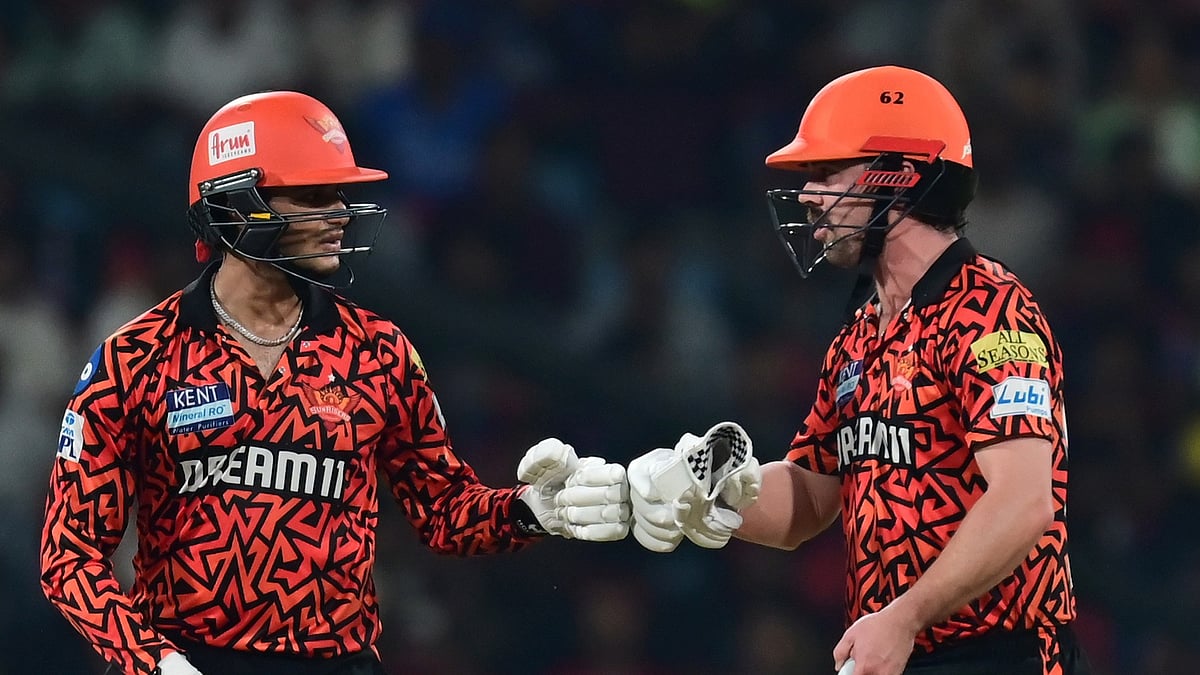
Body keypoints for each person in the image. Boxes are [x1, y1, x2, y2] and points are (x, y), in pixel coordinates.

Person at [40, 90, 631, 675]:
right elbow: (69, 554)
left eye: (340, 194)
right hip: (189, 661)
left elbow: (445, 513)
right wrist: (155, 664)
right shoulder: (135, 359)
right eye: (314, 195)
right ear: (239, 206)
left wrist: (530, 511)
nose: (341, 213)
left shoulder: (380, 352)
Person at [627, 65, 1090, 675]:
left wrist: (903, 617)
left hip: (999, 654)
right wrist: (710, 492)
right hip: (898, 650)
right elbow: (813, 494)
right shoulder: (859, 330)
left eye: (825, 173)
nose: (811, 197)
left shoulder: (990, 310)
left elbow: (1025, 502)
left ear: (897, 176)